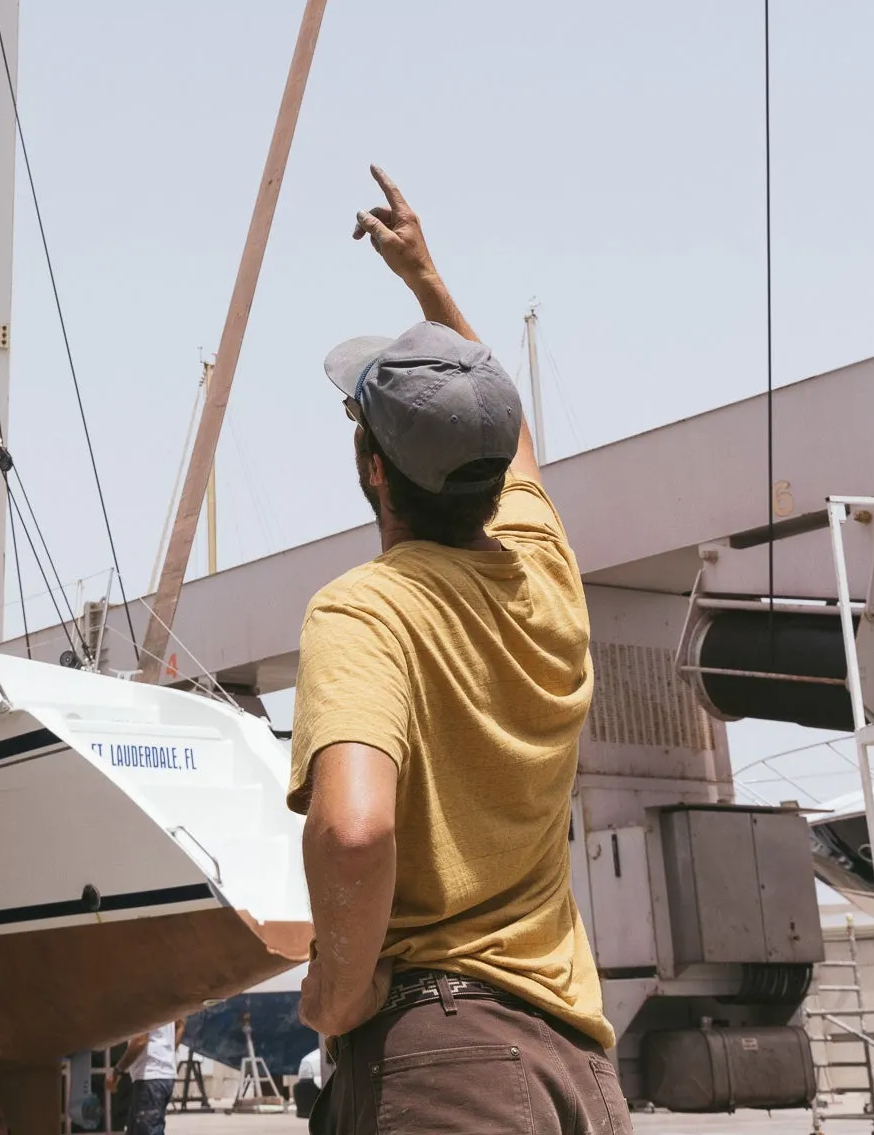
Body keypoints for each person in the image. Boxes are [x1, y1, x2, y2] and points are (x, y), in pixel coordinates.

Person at [289, 167, 631, 1135]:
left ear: (372, 469)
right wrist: (427, 276)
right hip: (581, 1072)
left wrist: (337, 994)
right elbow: (514, 440)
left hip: (446, 1071)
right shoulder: (546, 570)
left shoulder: (368, 612)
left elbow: (354, 829)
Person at [107, 1018, 183, 1135]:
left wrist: (118, 1070)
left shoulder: (143, 1002)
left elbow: (140, 1040)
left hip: (150, 1078)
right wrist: (167, 1054)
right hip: (163, 1076)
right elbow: (181, 1025)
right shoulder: (166, 1001)